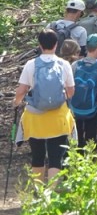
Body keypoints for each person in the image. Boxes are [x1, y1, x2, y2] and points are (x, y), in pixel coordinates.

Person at [13, 29, 75, 184]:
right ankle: (52, 195)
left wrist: (16, 102)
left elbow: (22, 90)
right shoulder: (64, 64)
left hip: (35, 117)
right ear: (56, 44)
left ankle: (38, 193)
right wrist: (60, 99)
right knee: (56, 156)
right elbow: (71, 90)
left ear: (40, 45)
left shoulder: (31, 64)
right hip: (58, 116)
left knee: (37, 155)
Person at [71, 34, 97, 148]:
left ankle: (75, 161)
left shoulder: (75, 65)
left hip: (75, 109)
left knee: (76, 138)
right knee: (90, 139)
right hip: (92, 111)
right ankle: (89, 161)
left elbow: (69, 88)